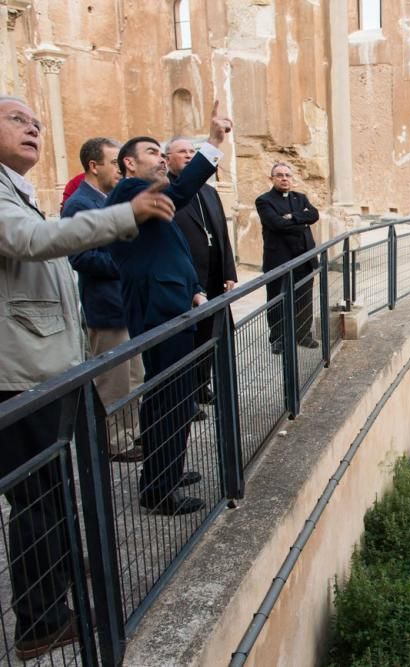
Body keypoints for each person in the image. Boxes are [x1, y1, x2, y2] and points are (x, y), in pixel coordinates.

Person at [0, 95, 174, 659]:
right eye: (17, 119)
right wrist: (125, 216)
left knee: (49, 497)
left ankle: (55, 605)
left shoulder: (17, 191)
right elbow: (32, 243)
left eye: (37, 122)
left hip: (42, 369)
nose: (33, 128)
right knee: (36, 502)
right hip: (20, 375)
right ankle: (41, 620)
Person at [106, 100, 233, 517]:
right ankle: (159, 488)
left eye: (163, 154)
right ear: (128, 164)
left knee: (176, 398)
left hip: (176, 307)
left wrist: (196, 290)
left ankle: (167, 472)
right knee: (170, 399)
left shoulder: (154, 205)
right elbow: (178, 191)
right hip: (159, 312)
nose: (161, 159)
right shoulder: (129, 192)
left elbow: (175, 251)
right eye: (152, 153)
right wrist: (212, 143)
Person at [65, 137, 145, 463]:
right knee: (114, 380)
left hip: (126, 304)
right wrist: (127, 264)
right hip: (106, 306)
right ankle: (116, 443)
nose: (120, 168)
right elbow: (82, 257)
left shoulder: (109, 198)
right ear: (93, 166)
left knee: (134, 375)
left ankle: (132, 433)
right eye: (114, 162)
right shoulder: (79, 204)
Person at [164, 137, 237, 405]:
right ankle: (189, 396)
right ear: (167, 158)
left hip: (216, 276)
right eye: (181, 151)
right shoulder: (167, 191)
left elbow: (221, 234)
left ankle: (203, 385)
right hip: (189, 280)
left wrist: (229, 271)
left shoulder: (209, 191)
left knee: (213, 334)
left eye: (192, 152)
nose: (188, 155)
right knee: (191, 339)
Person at [255, 163, 320, 354]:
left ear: (292, 179)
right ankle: (278, 338)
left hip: (304, 257)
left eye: (288, 175)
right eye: (280, 175)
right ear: (272, 179)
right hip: (279, 260)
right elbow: (276, 224)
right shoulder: (264, 201)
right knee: (277, 299)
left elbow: (314, 215)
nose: (284, 179)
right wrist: (302, 220)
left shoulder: (300, 198)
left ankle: (303, 335)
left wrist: (290, 217)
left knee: (304, 297)